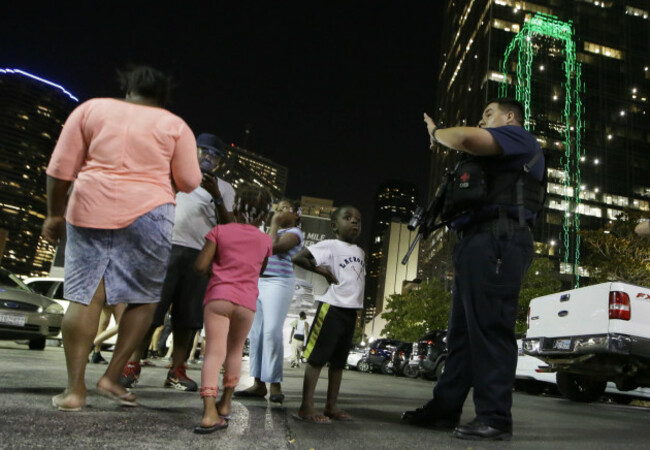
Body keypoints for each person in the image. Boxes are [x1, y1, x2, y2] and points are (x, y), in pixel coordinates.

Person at [42, 65, 202, 411]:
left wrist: (54, 214)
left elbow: (59, 170)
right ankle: (112, 376)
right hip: (150, 212)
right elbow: (190, 181)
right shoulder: (175, 125)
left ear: (127, 88)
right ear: (163, 97)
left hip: (89, 206)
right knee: (143, 300)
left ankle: (74, 391)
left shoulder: (91, 109)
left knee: (85, 298)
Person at [402, 98, 545, 441]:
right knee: (463, 335)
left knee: (491, 328)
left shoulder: (518, 136)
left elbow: (465, 138)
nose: (482, 122)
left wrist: (436, 132)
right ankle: (444, 408)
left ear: (510, 117)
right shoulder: (501, 151)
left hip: (498, 239)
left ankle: (495, 417)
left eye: (488, 114)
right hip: (478, 240)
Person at [120, 132, 235, 391]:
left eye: (216, 155)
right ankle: (132, 364)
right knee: (150, 312)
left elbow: (229, 226)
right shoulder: (171, 172)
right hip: (164, 248)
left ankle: (177, 370)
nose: (209, 157)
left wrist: (216, 196)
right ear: (192, 150)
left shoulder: (225, 188)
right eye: (204, 151)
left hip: (200, 254)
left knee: (188, 318)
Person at [193, 184, 273, 434]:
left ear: (236, 207)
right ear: (264, 217)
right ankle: (225, 403)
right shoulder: (265, 240)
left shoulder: (220, 231)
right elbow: (260, 270)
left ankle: (209, 412)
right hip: (246, 304)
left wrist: (214, 272)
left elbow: (200, 265)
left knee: (214, 353)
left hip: (219, 298)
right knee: (235, 352)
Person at [291, 205, 365, 424]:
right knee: (317, 359)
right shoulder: (330, 245)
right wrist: (321, 270)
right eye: (348, 218)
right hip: (331, 308)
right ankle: (306, 406)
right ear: (334, 225)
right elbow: (299, 258)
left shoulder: (360, 251)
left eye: (358, 220)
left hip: (350, 312)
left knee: (339, 362)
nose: (354, 222)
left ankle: (331, 405)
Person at [234, 199, 303, 402]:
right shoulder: (269, 232)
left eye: (284, 209)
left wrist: (273, 224)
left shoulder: (295, 233)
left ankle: (275, 384)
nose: (279, 212)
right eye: (277, 208)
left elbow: (272, 248)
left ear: (296, 214)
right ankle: (258, 384)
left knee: (272, 330)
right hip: (258, 282)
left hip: (279, 283)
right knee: (256, 333)